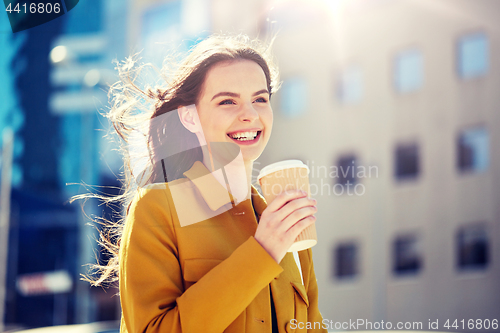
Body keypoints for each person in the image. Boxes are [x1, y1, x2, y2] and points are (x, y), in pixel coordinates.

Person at [98, 34, 327, 333]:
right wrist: (263, 251)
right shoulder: (157, 209)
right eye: (227, 101)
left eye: (260, 99)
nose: (250, 114)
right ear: (189, 117)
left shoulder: (283, 219)